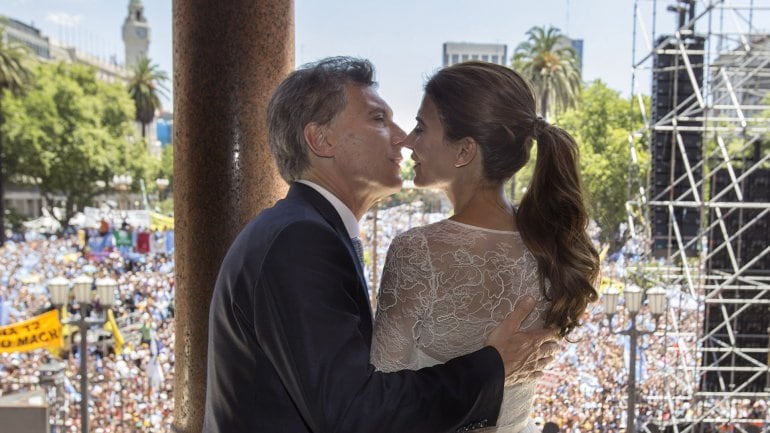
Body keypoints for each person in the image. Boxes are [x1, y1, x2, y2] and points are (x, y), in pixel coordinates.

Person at [203, 57, 559, 433]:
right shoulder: (300, 241)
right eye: (378, 119)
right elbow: (355, 414)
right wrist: (493, 366)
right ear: (321, 140)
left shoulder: (306, 230)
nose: (403, 136)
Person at [370, 61, 601, 432]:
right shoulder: (551, 243)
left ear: (464, 151)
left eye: (421, 127)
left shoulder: (418, 251)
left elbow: (383, 403)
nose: (407, 141)